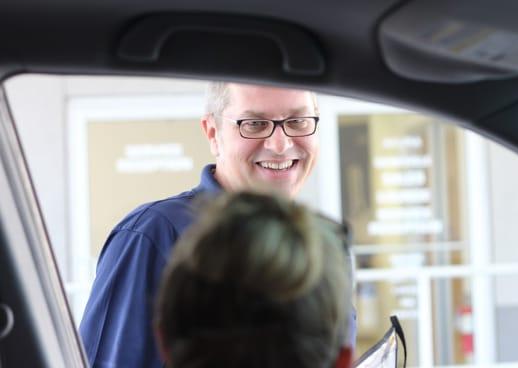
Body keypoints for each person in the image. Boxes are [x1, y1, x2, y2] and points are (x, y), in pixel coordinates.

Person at [79, 82, 354, 368]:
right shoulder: (154, 235)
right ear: (213, 133)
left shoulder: (325, 244)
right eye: (255, 124)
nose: (280, 144)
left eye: (297, 122)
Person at [154, 191, 353, 368]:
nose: (279, 147)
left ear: (164, 343)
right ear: (344, 361)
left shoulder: (159, 227)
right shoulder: (153, 230)